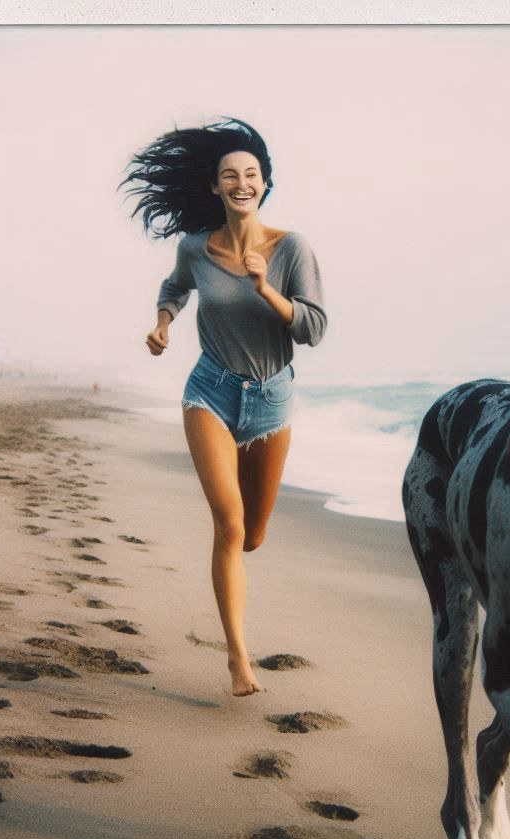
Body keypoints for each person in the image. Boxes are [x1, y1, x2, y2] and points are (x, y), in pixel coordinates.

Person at [122, 118, 327, 696]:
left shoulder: (291, 249)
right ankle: (238, 660)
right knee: (229, 525)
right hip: (209, 391)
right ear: (214, 187)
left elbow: (313, 329)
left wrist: (267, 289)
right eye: (230, 176)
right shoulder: (196, 247)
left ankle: (235, 565)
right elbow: (174, 287)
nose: (242, 183)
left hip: (271, 401)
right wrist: (162, 324)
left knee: (254, 535)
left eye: (252, 175)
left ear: (264, 184)